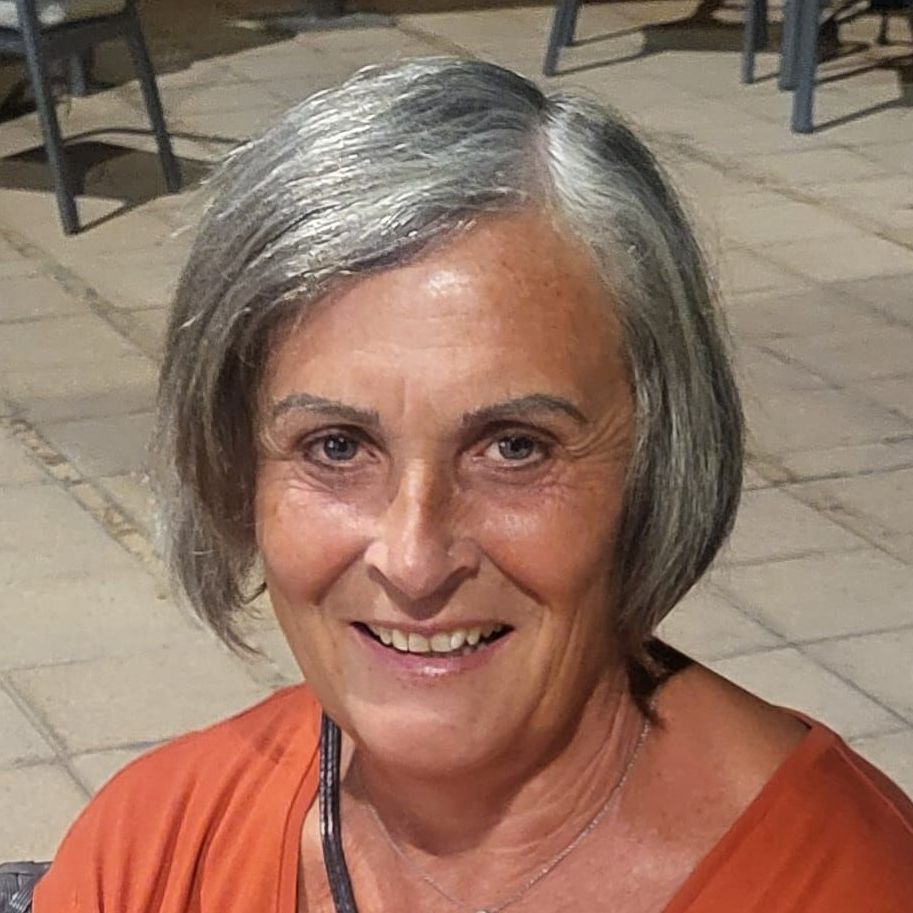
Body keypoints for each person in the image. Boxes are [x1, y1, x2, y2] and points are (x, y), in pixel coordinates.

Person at [34, 57, 913, 913]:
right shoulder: (156, 849)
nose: (413, 560)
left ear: (660, 461)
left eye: (515, 448)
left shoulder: (849, 880)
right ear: (236, 467)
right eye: (336, 446)